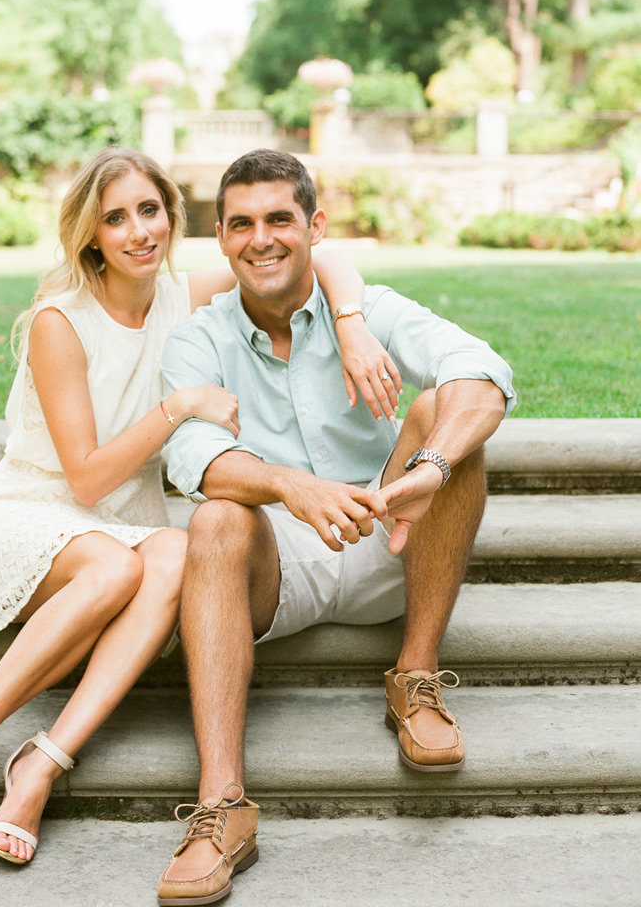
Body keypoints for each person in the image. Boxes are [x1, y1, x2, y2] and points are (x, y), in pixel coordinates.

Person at [0, 146, 394, 873]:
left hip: (125, 530)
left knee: (169, 553)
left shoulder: (178, 293)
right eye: (114, 218)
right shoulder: (59, 322)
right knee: (114, 570)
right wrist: (179, 405)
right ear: (90, 234)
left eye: (148, 211)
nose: (136, 232)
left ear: (170, 215)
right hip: (29, 513)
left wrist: (349, 322)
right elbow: (85, 481)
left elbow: (324, 255)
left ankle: (42, 763)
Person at [155, 149, 516, 906]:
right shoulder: (197, 338)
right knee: (217, 517)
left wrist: (430, 468)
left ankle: (414, 674)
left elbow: (484, 373)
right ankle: (223, 804)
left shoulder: (368, 308)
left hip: (393, 535)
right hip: (276, 559)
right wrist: (291, 485)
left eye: (280, 219)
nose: (262, 239)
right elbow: (195, 457)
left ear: (314, 226)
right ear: (219, 238)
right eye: (243, 224)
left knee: (445, 422)